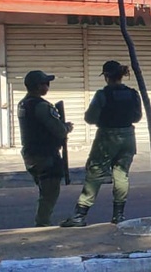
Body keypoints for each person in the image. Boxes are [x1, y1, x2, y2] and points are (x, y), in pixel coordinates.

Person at [61, 61, 143, 227]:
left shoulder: (102, 94)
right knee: (121, 175)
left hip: (107, 136)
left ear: (106, 77)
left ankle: (79, 215)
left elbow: (89, 118)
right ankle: (118, 216)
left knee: (95, 172)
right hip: (128, 136)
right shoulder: (133, 93)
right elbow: (137, 117)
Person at [18, 70, 73, 227]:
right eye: (45, 84)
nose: (47, 87)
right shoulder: (41, 106)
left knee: (45, 191)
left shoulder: (24, 103)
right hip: (45, 155)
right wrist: (67, 127)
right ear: (37, 86)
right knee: (49, 193)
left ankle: (42, 223)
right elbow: (59, 130)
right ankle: (42, 225)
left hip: (32, 153)